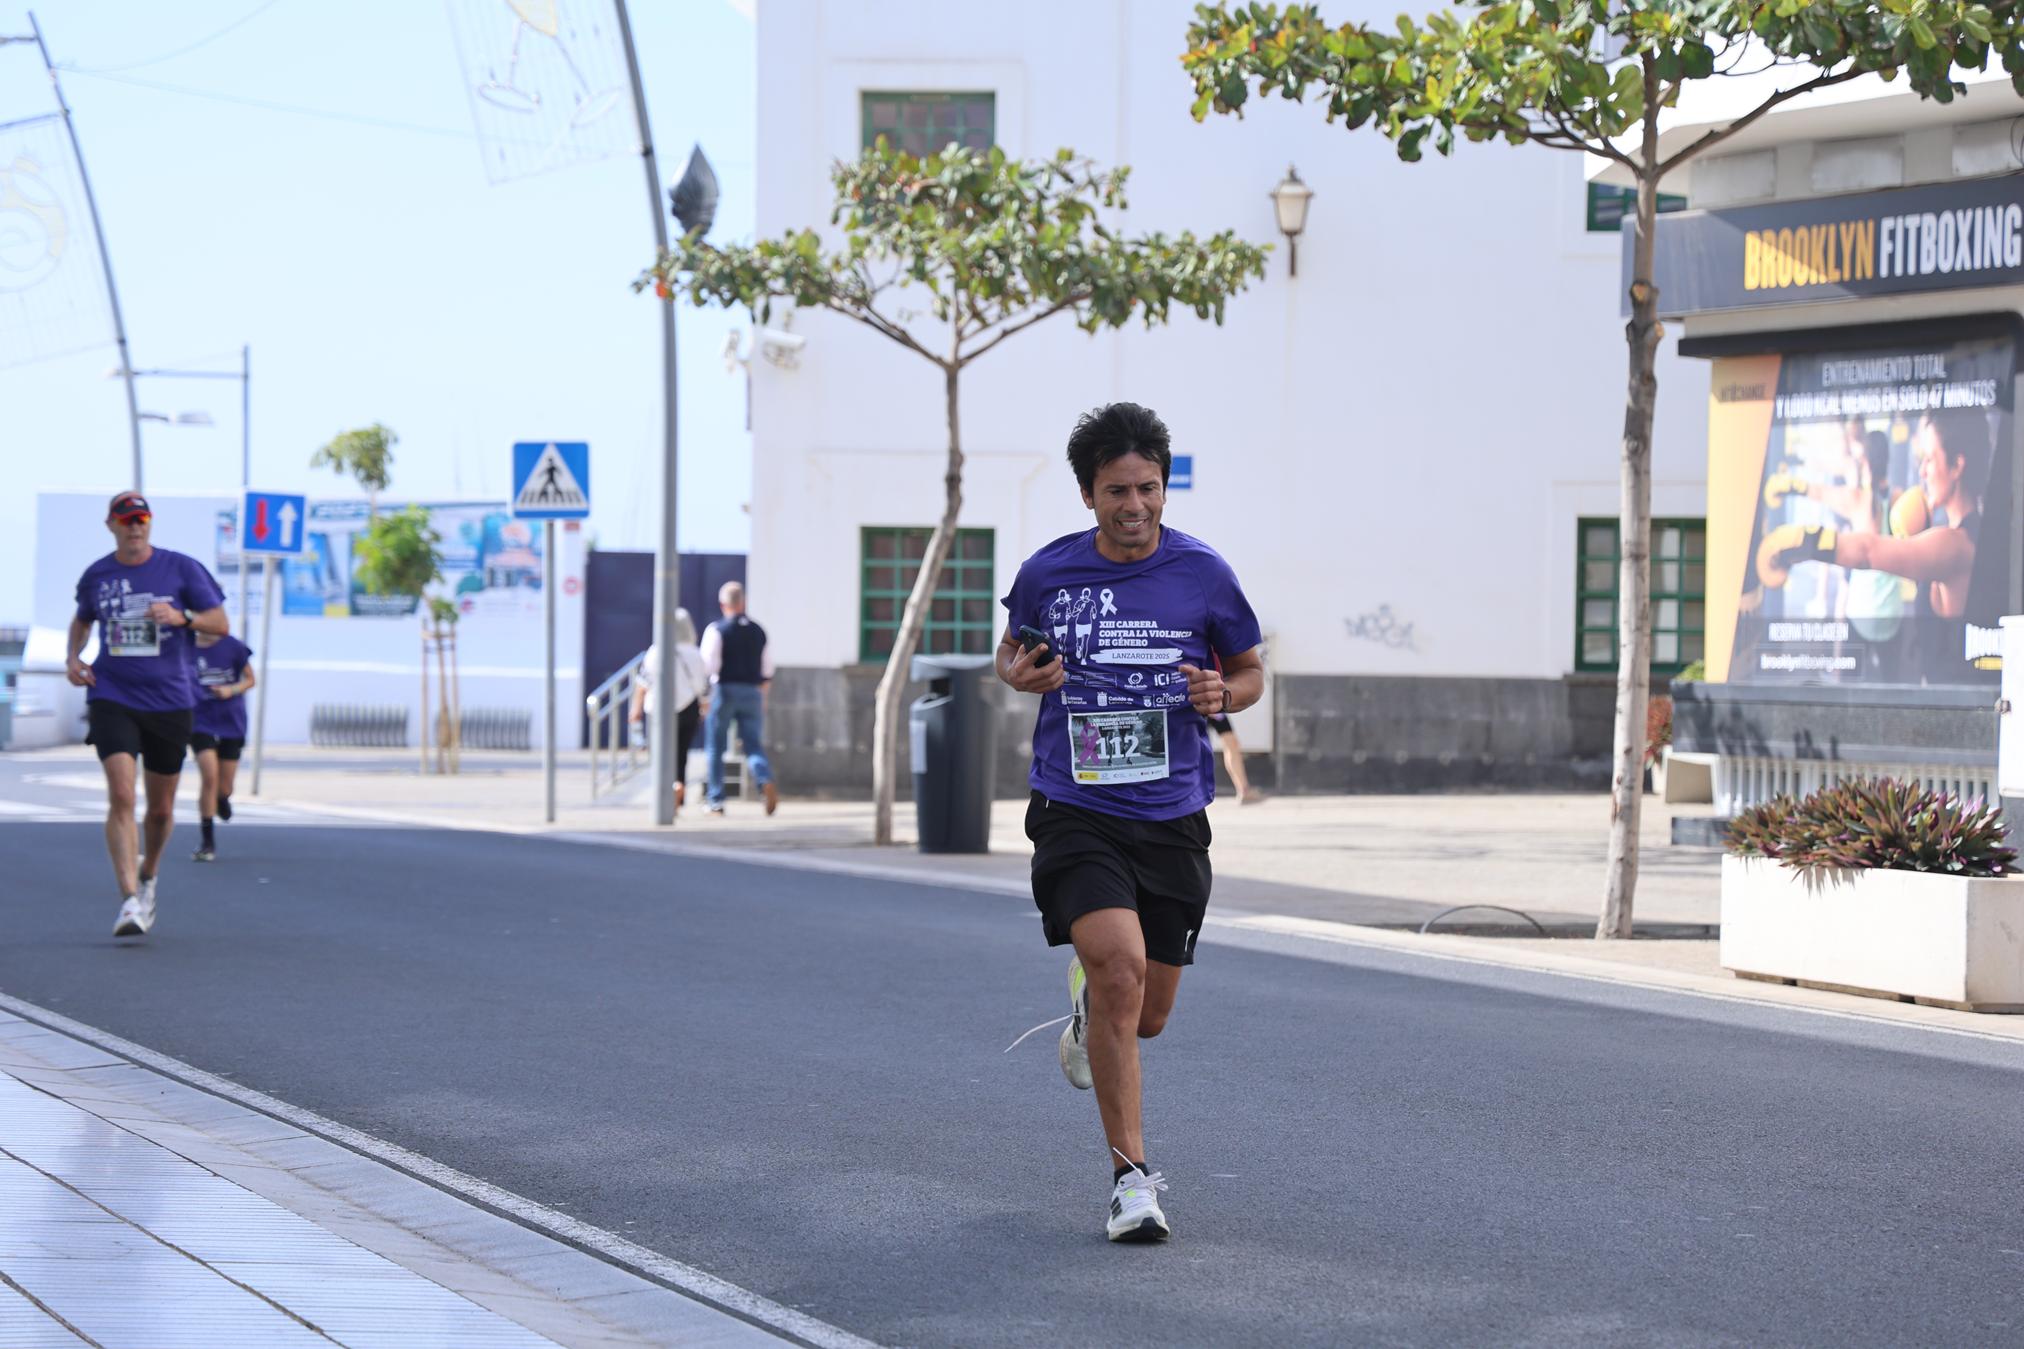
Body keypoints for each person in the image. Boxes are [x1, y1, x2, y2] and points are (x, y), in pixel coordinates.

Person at [998, 402, 1264, 1243]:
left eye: (1149, 488)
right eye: (1118, 491)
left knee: (1144, 1012)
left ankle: (1089, 1017)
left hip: (1174, 814)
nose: (1136, 506)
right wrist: (1019, 676)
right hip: (1077, 807)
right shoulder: (1048, 574)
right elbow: (1011, 653)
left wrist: (1226, 694)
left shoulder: (1205, 575)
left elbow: (1250, 669)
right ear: (1088, 494)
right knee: (1118, 973)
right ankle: (1131, 1180)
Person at [65, 492, 229, 936]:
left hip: (170, 701)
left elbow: (220, 622)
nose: (135, 527)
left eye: (141, 519)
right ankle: (129, 902)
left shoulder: (181, 568)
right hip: (112, 693)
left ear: (150, 524)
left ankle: (149, 874)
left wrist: (182, 617)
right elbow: (82, 619)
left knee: (159, 810)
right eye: (126, 520)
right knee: (121, 793)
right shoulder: (98, 575)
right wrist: (73, 657)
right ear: (111, 525)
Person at [700, 581, 778, 815]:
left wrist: (705, 697)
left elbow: (708, 665)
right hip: (752, 691)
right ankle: (764, 780)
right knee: (753, 744)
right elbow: (767, 669)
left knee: (716, 746)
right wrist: (762, 696)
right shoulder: (758, 631)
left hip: (724, 690)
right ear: (743, 602)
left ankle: (716, 800)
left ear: (723, 604)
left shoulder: (717, 630)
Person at [628, 607, 708, 811]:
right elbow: (704, 687)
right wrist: (703, 710)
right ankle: (678, 788)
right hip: (689, 708)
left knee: (659, 755)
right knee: (681, 755)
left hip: (659, 710)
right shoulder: (695, 654)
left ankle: (665, 792)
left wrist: (635, 709)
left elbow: (643, 683)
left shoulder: (657, 651)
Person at [189, 628, 255, 861]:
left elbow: (250, 679)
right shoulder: (186, 646)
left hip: (231, 721)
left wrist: (231, 689)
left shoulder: (233, 646)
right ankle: (207, 842)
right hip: (200, 721)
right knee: (209, 775)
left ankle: (222, 799)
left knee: (224, 786)